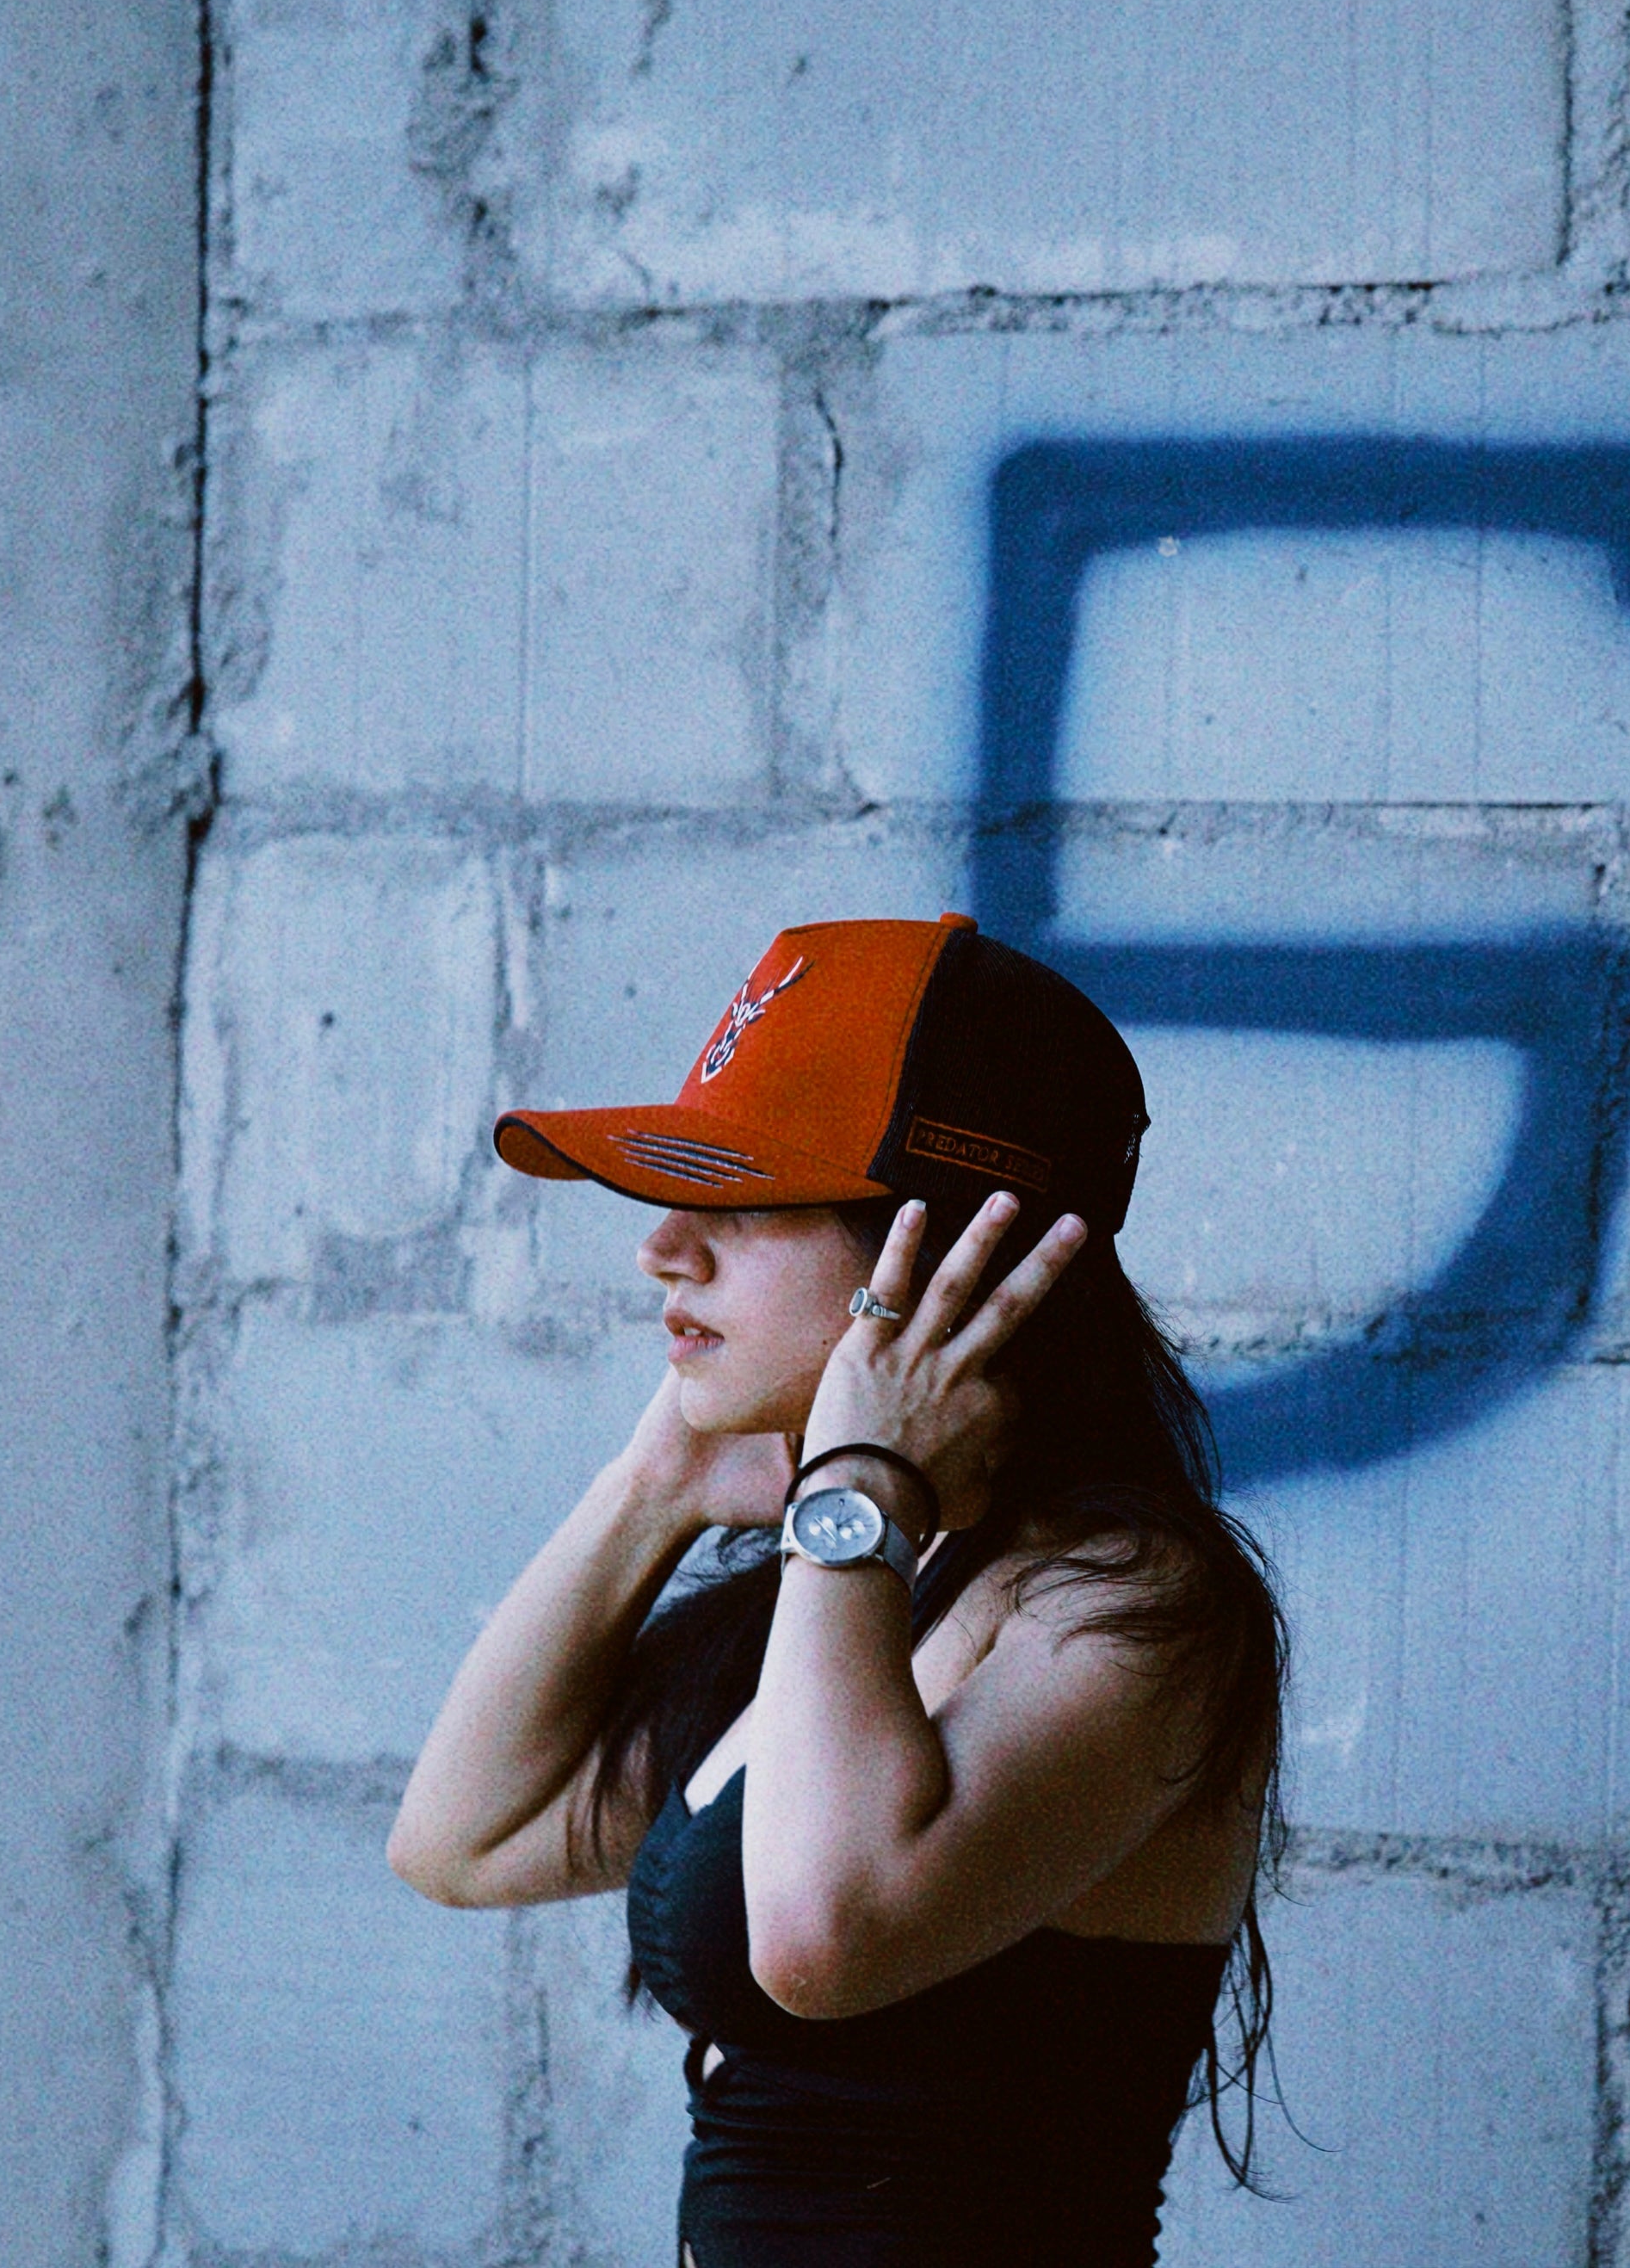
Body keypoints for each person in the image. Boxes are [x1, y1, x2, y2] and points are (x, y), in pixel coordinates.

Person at [386, 910, 1289, 2267]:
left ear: (950, 1254)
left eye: (746, 1197)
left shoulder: (1130, 1603)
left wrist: (857, 1485)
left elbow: (826, 1935)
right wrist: (660, 1484)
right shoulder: (856, 1585)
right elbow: (462, 1840)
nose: (664, 1248)